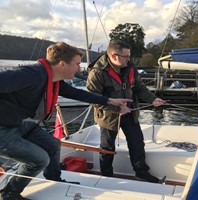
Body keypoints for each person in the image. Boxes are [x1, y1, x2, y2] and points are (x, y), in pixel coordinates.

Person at [0, 41, 132, 200]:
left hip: (16, 124)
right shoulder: (32, 74)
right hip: (2, 130)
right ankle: (9, 193)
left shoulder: (53, 79)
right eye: (76, 64)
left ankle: (54, 179)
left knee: (53, 144)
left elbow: (79, 94)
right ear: (62, 64)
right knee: (40, 159)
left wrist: (110, 100)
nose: (79, 68)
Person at [87, 40, 166, 183]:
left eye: (129, 56)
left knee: (137, 142)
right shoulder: (97, 73)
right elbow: (93, 98)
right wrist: (117, 108)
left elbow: (140, 87)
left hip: (130, 112)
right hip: (108, 117)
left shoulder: (130, 67)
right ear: (114, 56)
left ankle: (141, 172)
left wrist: (152, 99)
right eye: (126, 57)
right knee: (107, 147)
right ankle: (106, 176)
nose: (129, 59)